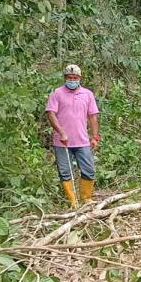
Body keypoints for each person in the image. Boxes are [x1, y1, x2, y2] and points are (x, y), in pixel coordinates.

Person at [46, 64, 100, 209]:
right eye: (69, 78)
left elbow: (93, 116)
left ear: (80, 78)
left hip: (82, 141)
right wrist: (61, 132)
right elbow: (51, 113)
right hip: (62, 142)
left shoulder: (87, 94)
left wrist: (95, 137)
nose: (72, 80)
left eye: (75, 78)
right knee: (65, 172)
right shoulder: (56, 93)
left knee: (89, 170)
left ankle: (86, 199)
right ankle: (72, 202)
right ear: (65, 78)